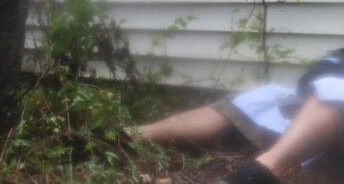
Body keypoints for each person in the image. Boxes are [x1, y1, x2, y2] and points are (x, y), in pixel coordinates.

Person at [132, 48, 344, 183]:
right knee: (257, 99)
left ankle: (259, 174)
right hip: (310, 119)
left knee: (334, 91)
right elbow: (313, 77)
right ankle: (128, 136)